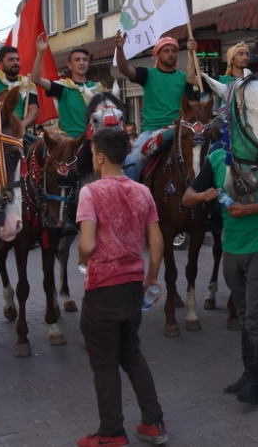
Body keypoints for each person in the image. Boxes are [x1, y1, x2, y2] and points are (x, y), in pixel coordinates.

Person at [76, 127, 167, 446]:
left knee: (104, 363)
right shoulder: (142, 191)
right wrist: (151, 278)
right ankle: (154, 422)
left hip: (102, 288)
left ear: (100, 156)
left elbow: (87, 245)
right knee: (131, 353)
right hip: (132, 286)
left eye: (92, 153)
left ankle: (112, 432)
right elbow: (156, 241)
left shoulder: (90, 192)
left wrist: (79, 252)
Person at [182, 150, 258, 405]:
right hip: (231, 249)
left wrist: (250, 210)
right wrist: (201, 195)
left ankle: (256, 383)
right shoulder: (218, 157)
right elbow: (187, 198)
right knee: (243, 314)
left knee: (255, 317)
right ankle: (248, 373)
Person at [114, 32, 197, 181]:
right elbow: (124, 69)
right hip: (151, 131)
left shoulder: (185, 78)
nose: (171, 54)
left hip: (178, 129)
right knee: (132, 163)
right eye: (166, 51)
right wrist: (120, 49)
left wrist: (192, 53)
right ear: (157, 54)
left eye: (174, 51)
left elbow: (192, 107)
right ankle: (131, 199)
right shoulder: (147, 74)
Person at [31, 34, 104, 137]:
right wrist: (40, 52)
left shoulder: (96, 88)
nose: (82, 63)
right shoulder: (62, 87)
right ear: (69, 65)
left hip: (94, 140)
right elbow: (36, 79)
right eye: (77, 60)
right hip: (70, 142)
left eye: (85, 60)